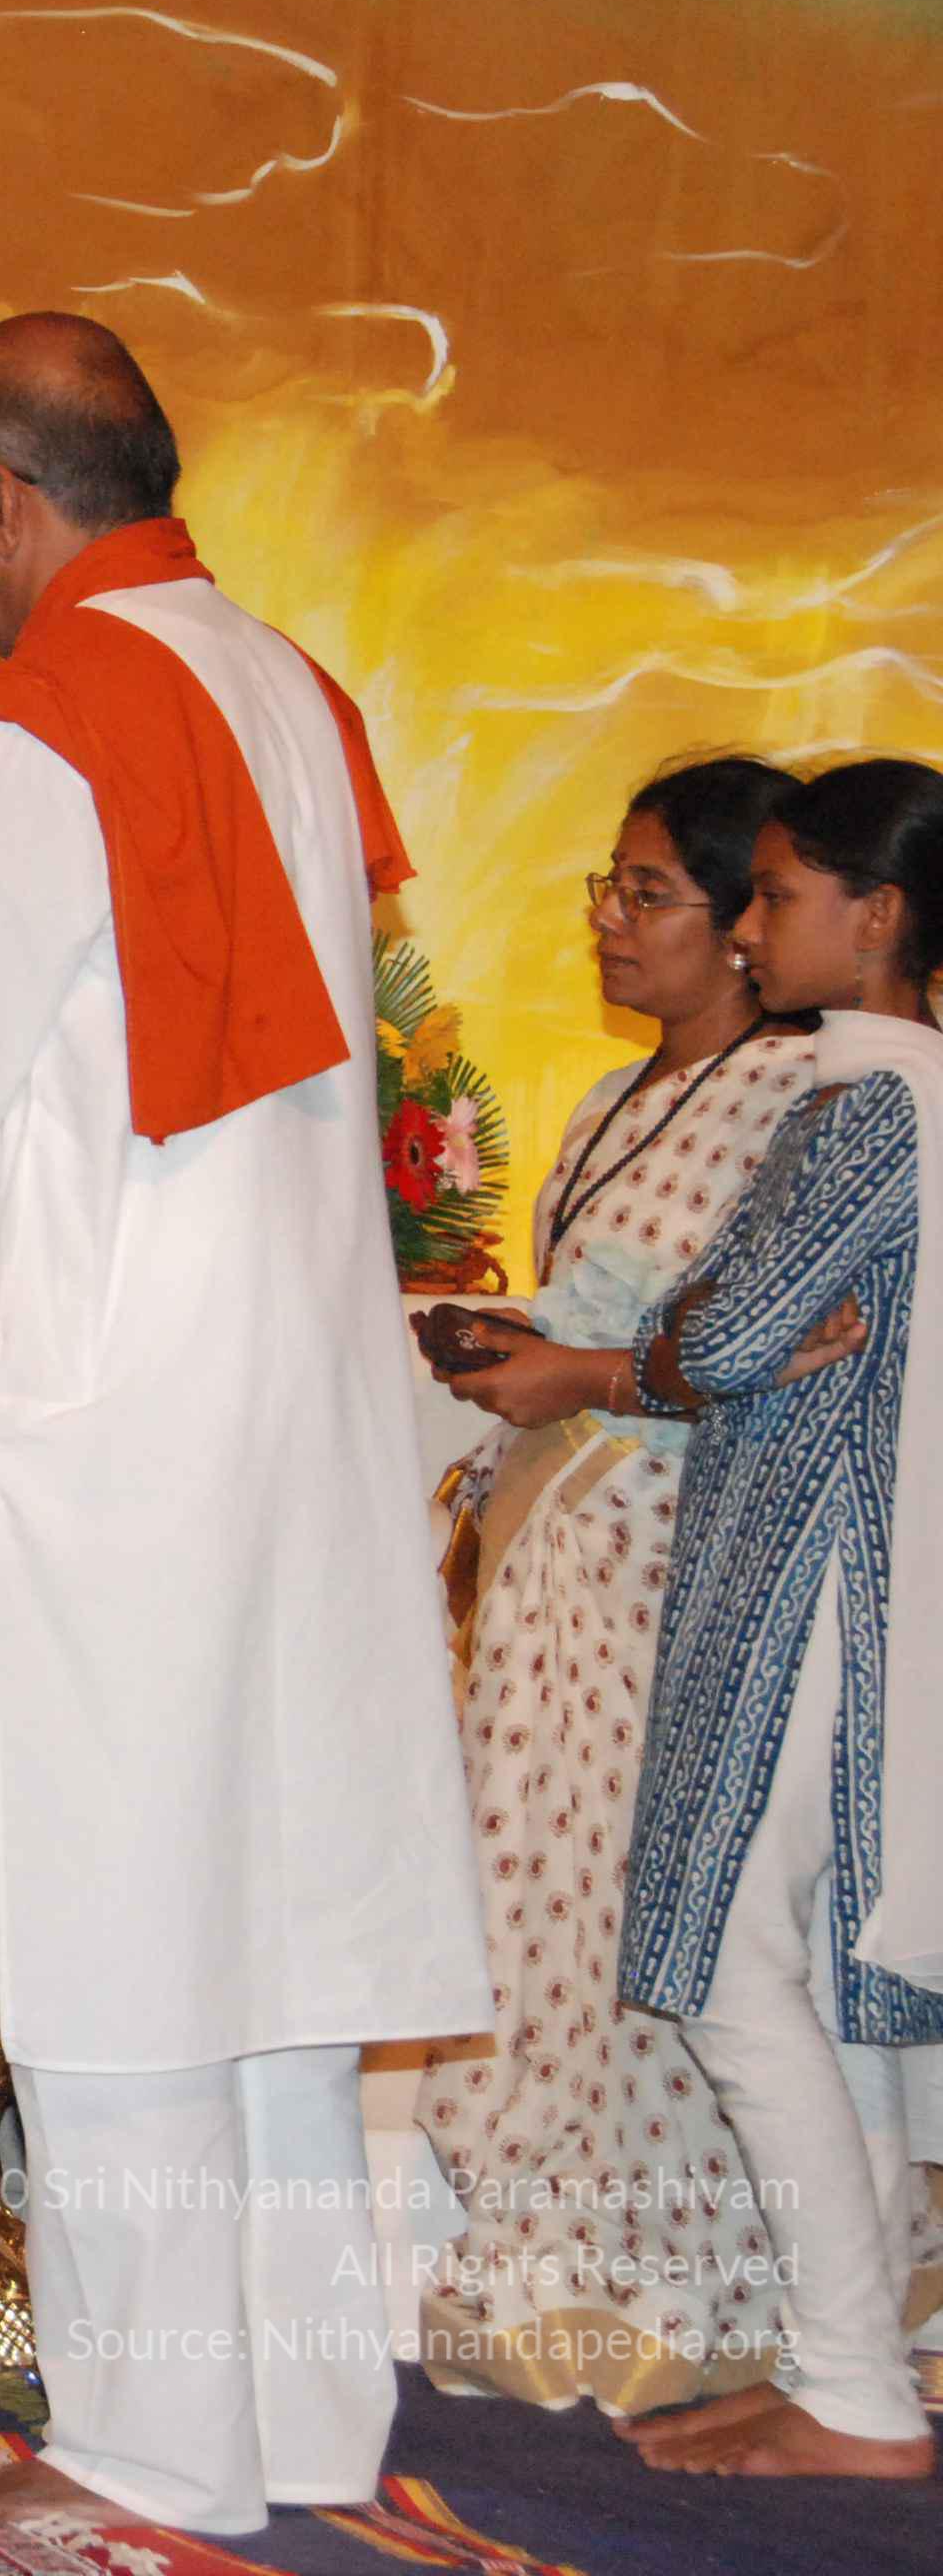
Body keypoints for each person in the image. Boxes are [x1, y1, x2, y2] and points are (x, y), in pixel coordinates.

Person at [0, 314, 485, 2535]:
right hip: (296, 1389)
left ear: (4, 498)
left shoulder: (50, 715)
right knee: (266, 1939)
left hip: (103, 1401)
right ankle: (291, 2426)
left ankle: (143, 2454)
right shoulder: (285, 684)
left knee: (115, 1926)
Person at [410, 758, 821, 2414]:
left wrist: (576, 1372)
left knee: (635, 1925)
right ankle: (548, 2255)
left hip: (678, 1564)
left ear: (746, 924)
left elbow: (782, 1343)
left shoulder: (801, 1099)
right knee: (534, 1916)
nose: (607, 916)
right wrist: (515, 1345)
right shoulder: (601, 1101)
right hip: (555, 1556)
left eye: (649, 892)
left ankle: (682, 2275)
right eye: (609, 882)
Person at [605, 760, 943, 2481]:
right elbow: (724, 1323)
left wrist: (684, 1338)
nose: (749, 925)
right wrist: (706, 1326)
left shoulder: (868, 1102)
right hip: (843, 1578)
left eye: (780, 894)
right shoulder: (891, 1092)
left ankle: (860, 2395)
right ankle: (848, 2364)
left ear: (877, 917)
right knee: (805, 1973)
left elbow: (720, 1340)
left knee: (738, 1965)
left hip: (806, 1578)